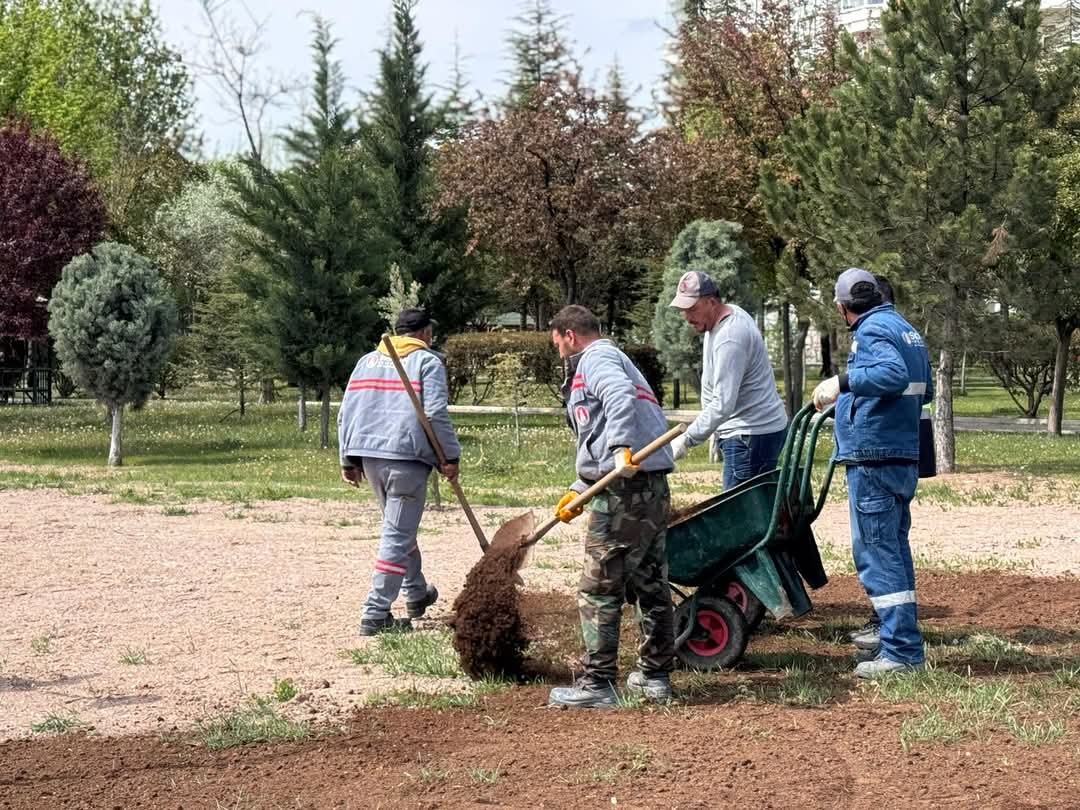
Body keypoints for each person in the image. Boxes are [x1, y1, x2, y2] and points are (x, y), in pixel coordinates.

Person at [546, 305, 677, 708]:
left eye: (557, 345)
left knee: (599, 587)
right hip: (648, 486)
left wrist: (622, 448)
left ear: (569, 335)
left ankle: (597, 683)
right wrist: (579, 487)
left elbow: (618, 401)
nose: (559, 354)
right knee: (649, 582)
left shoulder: (596, 358)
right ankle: (655, 677)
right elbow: (595, 433)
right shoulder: (612, 359)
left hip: (627, 491)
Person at [812, 268, 933, 677]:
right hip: (899, 453)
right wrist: (852, 399)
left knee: (877, 553)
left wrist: (842, 383)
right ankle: (896, 638)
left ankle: (901, 653)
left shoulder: (872, 330)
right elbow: (923, 388)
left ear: (845, 307)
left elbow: (893, 376)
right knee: (892, 550)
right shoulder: (906, 329)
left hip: (876, 456)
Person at [337, 308, 458, 636]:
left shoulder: (366, 361)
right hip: (406, 459)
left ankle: (416, 593)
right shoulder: (427, 362)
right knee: (396, 534)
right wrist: (450, 457)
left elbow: (346, 411)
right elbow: (434, 414)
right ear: (425, 333)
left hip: (370, 458)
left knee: (399, 529)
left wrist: (347, 458)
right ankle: (376, 613)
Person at [667, 271, 788, 489]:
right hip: (752, 432)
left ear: (711, 302)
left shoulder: (730, 337)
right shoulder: (724, 318)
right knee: (756, 508)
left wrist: (687, 439)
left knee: (740, 514)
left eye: (692, 309)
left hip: (750, 435)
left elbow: (722, 404)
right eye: (683, 310)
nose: (687, 317)